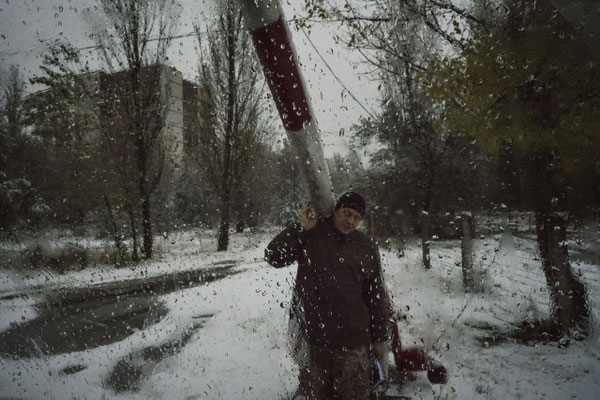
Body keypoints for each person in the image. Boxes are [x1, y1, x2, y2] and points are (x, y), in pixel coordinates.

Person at [265, 192, 389, 400]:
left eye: (356, 217)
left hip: (353, 346)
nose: (350, 221)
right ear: (335, 211)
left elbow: (375, 293)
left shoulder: (365, 245)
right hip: (316, 343)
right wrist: (301, 229)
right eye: (346, 213)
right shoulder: (312, 234)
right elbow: (273, 257)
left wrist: (379, 336)